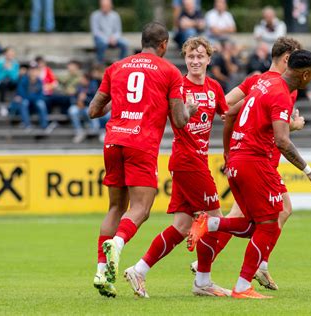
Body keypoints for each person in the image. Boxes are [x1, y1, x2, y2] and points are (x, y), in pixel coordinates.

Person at [188, 49, 311, 299]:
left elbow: (231, 111)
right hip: (256, 162)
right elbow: (282, 141)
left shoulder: (264, 81)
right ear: (305, 75)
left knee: (254, 226)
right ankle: (242, 286)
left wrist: (229, 151)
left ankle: (210, 223)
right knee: (271, 223)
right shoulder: (282, 94)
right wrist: (309, 171)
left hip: (239, 160)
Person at [87, 22, 198, 298]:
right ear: (163, 45)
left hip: (114, 141)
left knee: (115, 207)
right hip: (141, 143)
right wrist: (191, 109)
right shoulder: (170, 72)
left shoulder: (116, 68)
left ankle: (102, 271)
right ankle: (118, 244)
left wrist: (122, 104)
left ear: (141, 42)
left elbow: (93, 110)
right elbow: (180, 121)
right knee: (141, 208)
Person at [123, 37, 232, 298]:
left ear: (208, 59)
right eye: (190, 57)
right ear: (185, 59)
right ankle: (203, 281)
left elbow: (227, 113)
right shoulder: (177, 86)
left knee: (182, 226)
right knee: (215, 219)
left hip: (197, 159)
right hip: (186, 160)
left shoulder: (215, 87)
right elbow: (168, 116)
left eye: (200, 57)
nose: (195, 61)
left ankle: (139, 270)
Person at [11, 62, 56, 133]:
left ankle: (44, 126)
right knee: (23, 103)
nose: (33, 72)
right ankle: (27, 125)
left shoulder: (40, 81)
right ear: (28, 71)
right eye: (31, 70)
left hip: (34, 101)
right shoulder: (23, 80)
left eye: (35, 70)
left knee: (41, 103)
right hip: (26, 101)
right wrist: (31, 97)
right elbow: (21, 93)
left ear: (38, 71)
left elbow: (41, 95)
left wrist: (31, 97)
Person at [90, 0, 128, 64]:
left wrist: (114, 38)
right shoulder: (95, 15)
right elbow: (96, 32)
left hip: (113, 39)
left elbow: (118, 31)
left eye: (106, 6)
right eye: (103, 6)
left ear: (111, 6)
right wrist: (107, 39)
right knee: (102, 44)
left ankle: (121, 64)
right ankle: (100, 65)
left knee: (125, 44)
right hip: (101, 39)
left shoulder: (115, 16)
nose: (104, 8)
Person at [68, 73, 101, 144]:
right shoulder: (78, 86)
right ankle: (79, 132)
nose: (81, 80)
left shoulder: (93, 87)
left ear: (87, 80)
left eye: (82, 79)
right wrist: (77, 101)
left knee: (91, 111)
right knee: (72, 110)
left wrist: (85, 99)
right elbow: (72, 98)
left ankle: (95, 131)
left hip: (88, 106)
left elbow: (95, 101)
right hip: (78, 106)